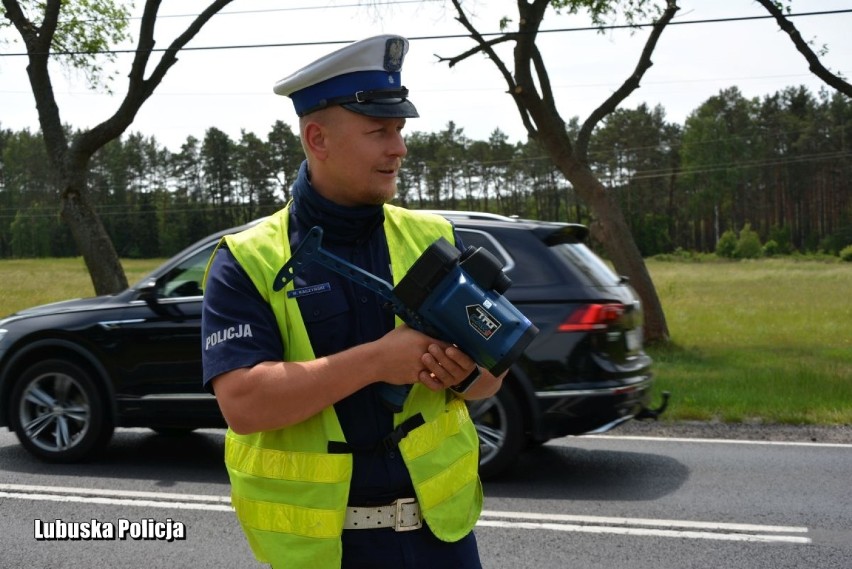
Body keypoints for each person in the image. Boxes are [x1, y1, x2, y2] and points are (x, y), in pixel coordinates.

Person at [201, 34, 505, 569]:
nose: (399, 148)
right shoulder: (247, 259)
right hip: (326, 552)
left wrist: (459, 372)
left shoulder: (433, 237)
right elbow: (244, 405)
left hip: (445, 542)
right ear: (317, 139)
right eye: (379, 132)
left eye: (400, 130)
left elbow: (489, 379)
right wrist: (379, 361)